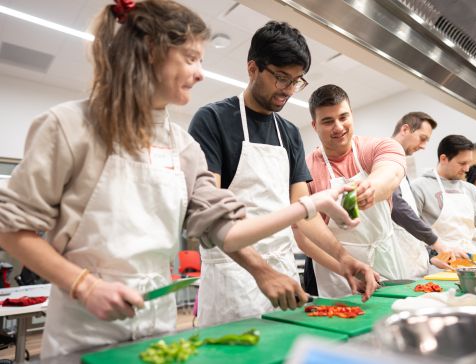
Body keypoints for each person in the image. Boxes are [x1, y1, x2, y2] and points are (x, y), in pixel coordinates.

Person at [0, 1, 357, 357]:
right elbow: (10, 227)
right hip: (83, 326)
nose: (200, 73)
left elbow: (227, 230)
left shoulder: (181, 146)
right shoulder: (67, 126)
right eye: (190, 58)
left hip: (158, 323)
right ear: (149, 54)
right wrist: (83, 285)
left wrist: (308, 211)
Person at [189, 23, 378, 326]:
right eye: (281, 78)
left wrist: (343, 258)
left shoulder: (288, 133)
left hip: (284, 274)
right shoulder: (213, 120)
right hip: (233, 274)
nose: (288, 90)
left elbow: (306, 213)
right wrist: (261, 271)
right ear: (253, 68)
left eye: (296, 81)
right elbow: (210, 215)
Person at [300, 84, 408, 298]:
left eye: (343, 117)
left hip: (385, 256)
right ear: (314, 125)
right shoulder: (305, 169)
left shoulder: (378, 146)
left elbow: (391, 171)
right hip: (338, 271)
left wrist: (371, 188)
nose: (338, 127)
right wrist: (344, 267)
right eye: (328, 121)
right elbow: (304, 237)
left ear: (352, 115)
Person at [411, 135, 476, 260]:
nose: (466, 169)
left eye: (469, 163)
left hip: (468, 260)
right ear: (443, 158)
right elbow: (411, 231)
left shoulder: (470, 190)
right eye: (462, 163)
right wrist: (433, 255)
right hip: (438, 262)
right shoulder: (419, 187)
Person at [391, 112, 467, 276]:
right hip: (395, 260)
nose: (424, 146)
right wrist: (437, 243)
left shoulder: (400, 164)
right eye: (422, 138)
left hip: (412, 259)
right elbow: (397, 207)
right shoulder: (386, 157)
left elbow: (412, 217)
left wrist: (433, 255)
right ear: (405, 129)